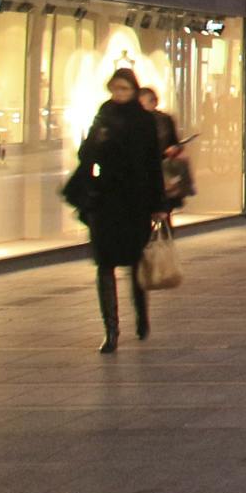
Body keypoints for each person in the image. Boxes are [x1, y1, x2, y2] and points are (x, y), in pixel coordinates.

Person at [77, 68, 167, 353]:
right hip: (105, 200)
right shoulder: (103, 116)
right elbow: (85, 154)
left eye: (124, 89)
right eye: (115, 89)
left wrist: (158, 205)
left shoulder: (143, 121)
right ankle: (111, 329)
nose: (119, 95)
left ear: (133, 91)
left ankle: (141, 317)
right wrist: (97, 140)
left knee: (136, 262)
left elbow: (153, 164)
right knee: (105, 264)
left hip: (135, 201)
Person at [140, 85, 195, 213]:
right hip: (145, 168)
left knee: (164, 203)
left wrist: (174, 149)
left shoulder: (164, 119)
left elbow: (175, 142)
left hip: (162, 166)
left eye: (147, 101)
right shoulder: (135, 122)